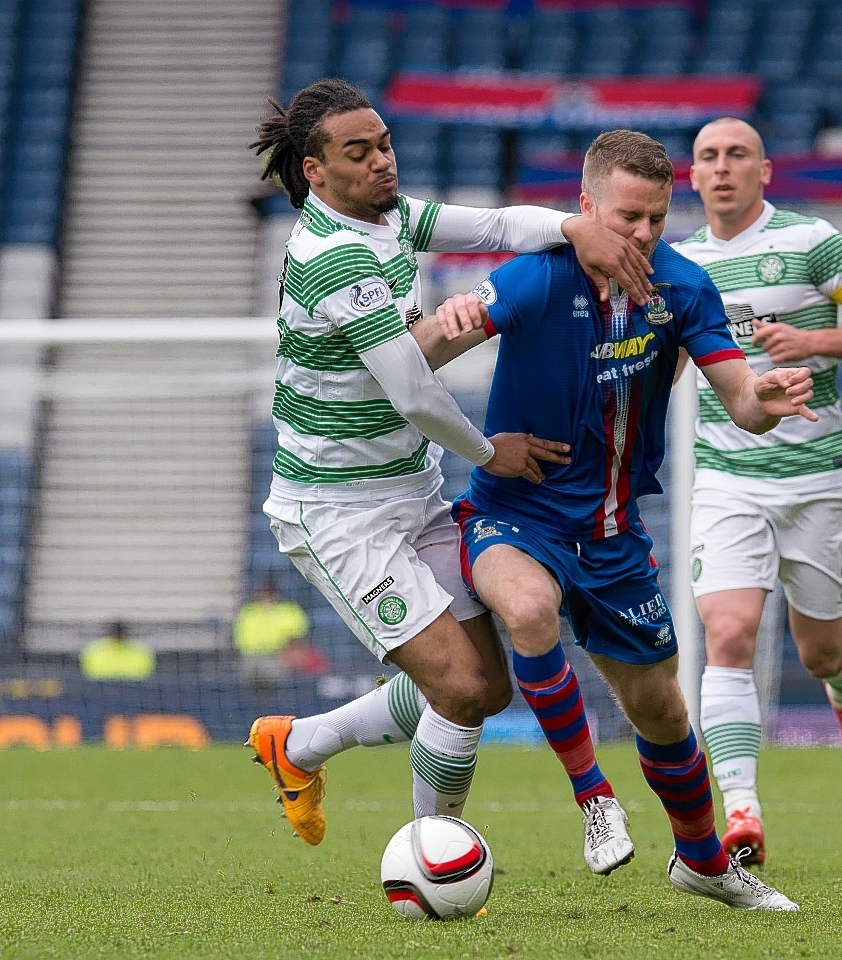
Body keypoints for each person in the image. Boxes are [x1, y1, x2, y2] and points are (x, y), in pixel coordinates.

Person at [241, 78, 656, 847]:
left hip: (410, 489)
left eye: (386, 144)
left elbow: (498, 224)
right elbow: (412, 392)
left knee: (486, 687)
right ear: (315, 171)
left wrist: (575, 228)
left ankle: (297, 745)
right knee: (461, 688)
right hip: (336, 511)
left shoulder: (389, 218)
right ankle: (433, 851)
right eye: (358, 153)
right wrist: (489, 453)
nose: (382, 164)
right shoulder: (331, 257)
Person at [415, 130, 808, 911]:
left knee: (662, 712)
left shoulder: (683, 286)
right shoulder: (532, 280)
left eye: (658, 218)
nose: (642, 235)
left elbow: (740, 401)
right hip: (513, 517)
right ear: (586, 206)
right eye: (628, 217)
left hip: (614, 537)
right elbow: (414, 360)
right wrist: (445, 323)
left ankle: (702, 862)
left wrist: (765, 402)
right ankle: (594, 798)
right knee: (528, 610)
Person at [672, 117, 842, 867]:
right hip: (725, 473)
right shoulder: (678, 263)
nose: (722, 168)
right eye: (708, 156)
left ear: (764, 170)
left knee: (818, 650)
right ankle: (741, 812)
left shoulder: (813, 243)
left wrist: (814, 340)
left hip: (817, 478)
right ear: (692, 174)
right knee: (730, 634)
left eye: (736, 155)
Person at [233, 580, 311, 684]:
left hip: (277, 656)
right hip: (250, 656)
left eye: (267, 593)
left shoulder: (289, 610)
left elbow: (297, 639)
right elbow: (238, 637)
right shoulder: (248, 611)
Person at [79, 621, 156, 682]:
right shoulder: (93, 649)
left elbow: (146, 674)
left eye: (119, 633)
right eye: (116, 633)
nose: (118, 636)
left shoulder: (141, 650)